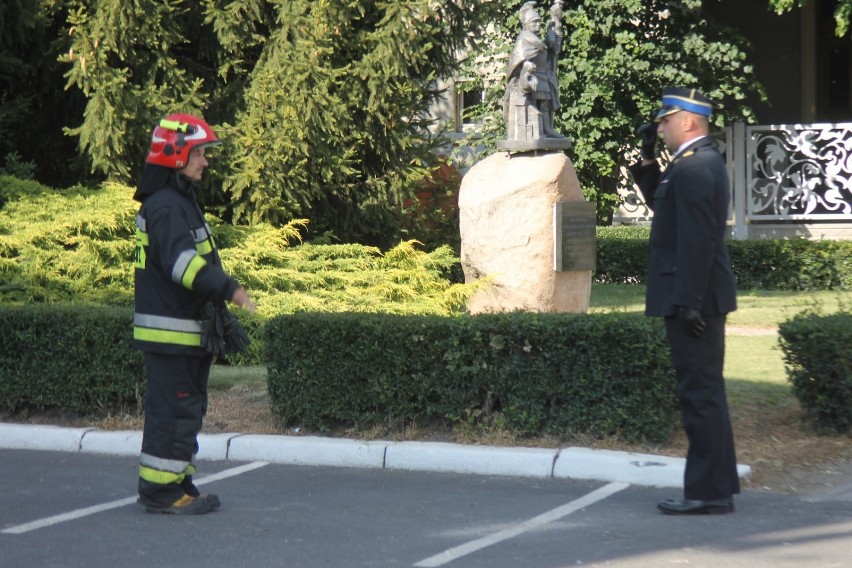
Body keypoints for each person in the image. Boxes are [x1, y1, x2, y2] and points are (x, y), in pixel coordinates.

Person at [133, 113, 256, 515]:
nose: (205, 161)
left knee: (184, 410)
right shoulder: (167, 206)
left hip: (183, 333)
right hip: (173, 335)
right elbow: (182, 265)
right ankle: (161, 494)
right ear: (175, 156)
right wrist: (230, 290)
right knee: (173, 411)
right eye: (199, 153)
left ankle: (177, 482)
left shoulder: (176, 200)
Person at [629, 88, 740, 515]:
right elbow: (665, 204)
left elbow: (698, 240)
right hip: (697, 294)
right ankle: (718, 487)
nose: (660, 126)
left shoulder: (696, 167)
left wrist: (690, 302)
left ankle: (705, 493)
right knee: (706, 392)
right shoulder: (693, 163)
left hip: (693, 298)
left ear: (688, 121)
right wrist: (646, 157)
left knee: (699, 394)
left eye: (665, 121)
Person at [503, 1, 564, 140]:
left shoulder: (539, 40)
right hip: (531, 77)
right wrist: (527, 66)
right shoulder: (523, 40)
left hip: (543, 75)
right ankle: (536, 132)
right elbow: (518, 60)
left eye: (539, 23)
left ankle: (547, 129)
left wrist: (555, 21)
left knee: (545, 104)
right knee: (532, 105)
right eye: (534, 23)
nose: (538, 25)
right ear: (526, 24)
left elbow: (551, 46)